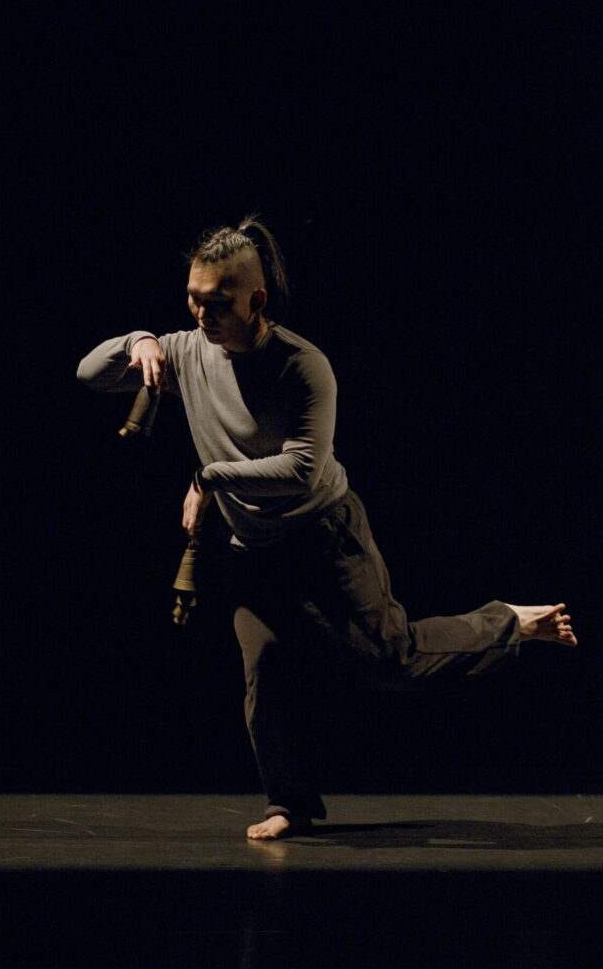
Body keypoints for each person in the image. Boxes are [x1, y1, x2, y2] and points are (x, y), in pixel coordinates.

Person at [77, 216, 577, 840]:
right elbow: (89, 374)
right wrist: (141, 339)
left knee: (392, 660)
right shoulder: (185, 351)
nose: (202, 314)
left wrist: (209, 478)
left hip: (324, 536)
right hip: (254, 549)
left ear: (256, 300)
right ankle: (287, 803)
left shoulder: (301, 365)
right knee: (264, 672)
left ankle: (507, 621)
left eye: (219, 302)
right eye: (193, 299)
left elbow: (301, 469)